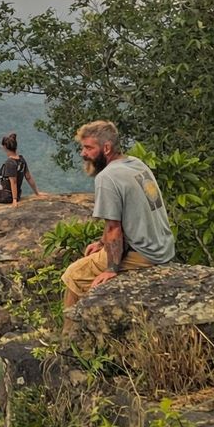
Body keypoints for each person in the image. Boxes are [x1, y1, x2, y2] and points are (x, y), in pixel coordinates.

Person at [61, 120, 175, 317]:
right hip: (163, 246)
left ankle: (68, 336)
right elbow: (124, 217)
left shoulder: (107, 177)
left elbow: (114, 228)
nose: (83, 153)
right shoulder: (136, 163)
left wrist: (111, 268)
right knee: (91, 257)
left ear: (106, 148)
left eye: (89, 148)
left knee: (74, 274)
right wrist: (101, 242)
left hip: (146, 253)